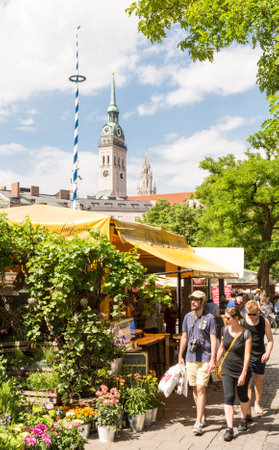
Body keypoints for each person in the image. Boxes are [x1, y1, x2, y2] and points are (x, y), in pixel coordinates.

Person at [178, 290, 217, 436]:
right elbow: (184, 337)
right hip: (190, 358)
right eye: (191, 299)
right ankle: (203, 415)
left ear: (202, 301)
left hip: (205, 358)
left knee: (201, 388)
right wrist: (180, 355)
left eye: (196, 299)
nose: (193, 302)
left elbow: (214, 340)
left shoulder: (210, 318)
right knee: (195, 388)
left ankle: (198, 421)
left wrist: (213, 359)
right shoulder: (187, 317)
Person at [216, 306, 252, 442]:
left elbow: (247, 356)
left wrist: (243, 374)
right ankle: (229, 428)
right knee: (229, 397)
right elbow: (221, 348)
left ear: (236, 318)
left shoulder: (246, 333)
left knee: (243, 396)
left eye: (228, 318)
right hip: (227, 369)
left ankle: (243, 419)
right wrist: (214, 362)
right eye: (225, 318)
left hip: (242, 369)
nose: (225, 320)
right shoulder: (224, 330)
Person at [243, 300, 273, 416]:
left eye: (254, 314)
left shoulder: (263, 321)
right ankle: (248, 406)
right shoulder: (242, 321)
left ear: (258, 312)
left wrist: (268, 353)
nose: (252, 317)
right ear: (246, 311)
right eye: (249, 314)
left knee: (259, 381)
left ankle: (257, 403)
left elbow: (270, 340)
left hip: (260, 354)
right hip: (246, 355)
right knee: (248, 381)